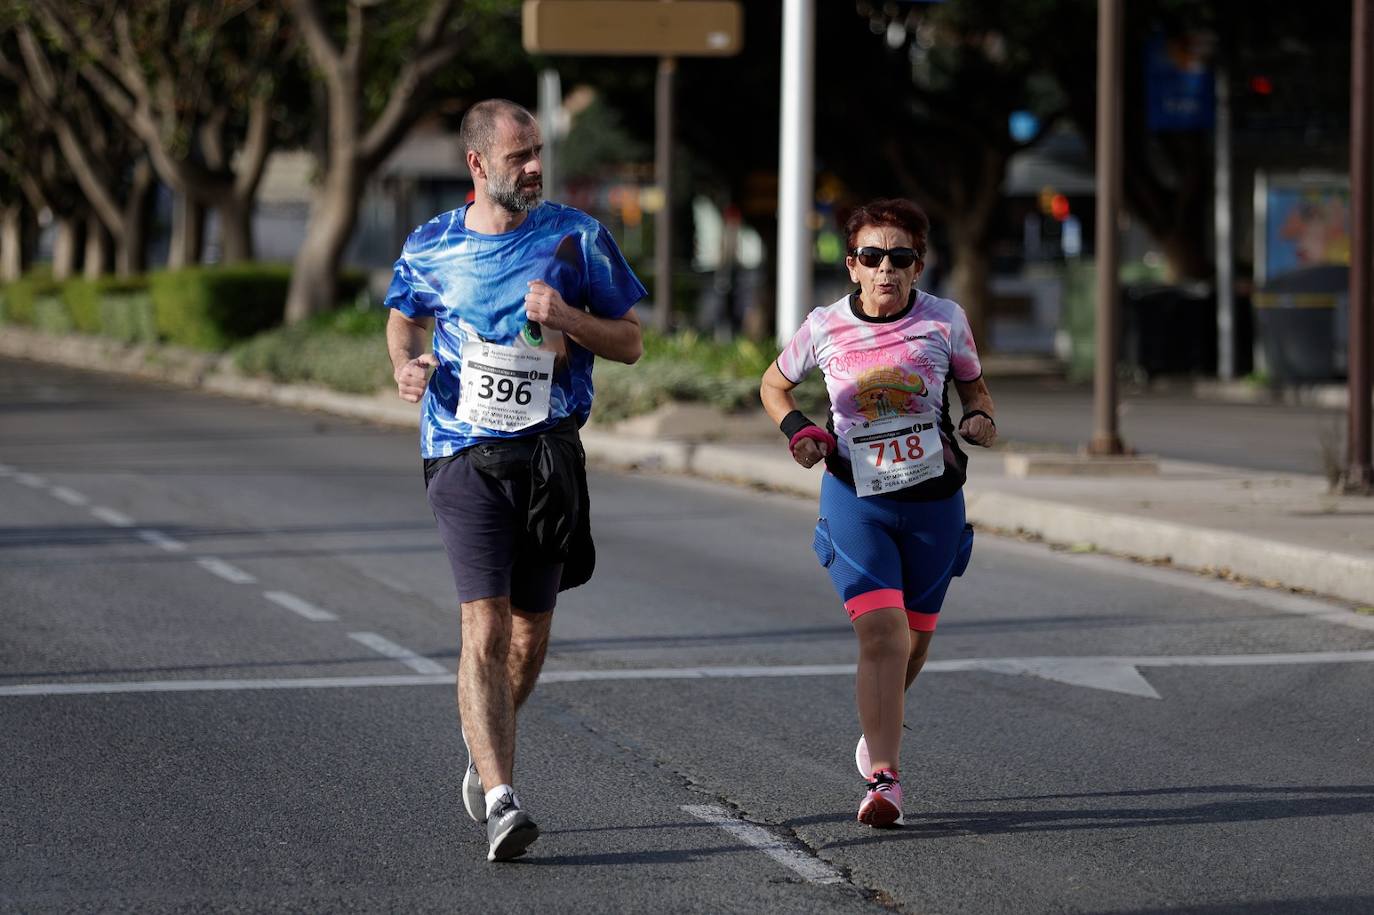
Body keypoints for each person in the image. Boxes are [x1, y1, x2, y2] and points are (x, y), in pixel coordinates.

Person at [385, 99, 645, 861]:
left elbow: (630, 341)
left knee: (529, 637)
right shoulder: (431, 245)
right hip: (462, 450)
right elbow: (403, 315)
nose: (534, 167)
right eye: (518, 156)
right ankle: (503, 797)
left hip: (548, 455)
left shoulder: (575, 237)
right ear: (476, 165)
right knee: (486, 626)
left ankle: (481, 741)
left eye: (537, 153)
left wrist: (570, 315)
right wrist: (405, 363)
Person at [759, 198, 996, 828]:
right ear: (852, 266)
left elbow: (973, 383)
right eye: (872, 257)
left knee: (914, 641)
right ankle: (885, 780)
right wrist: (798, 429)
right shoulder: (824, 326)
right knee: (883, 633)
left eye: (900, 257)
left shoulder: (946, 322)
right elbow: (772, 384)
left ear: (918, 267)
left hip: (933, 502)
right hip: (855, 497)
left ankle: (878, 724)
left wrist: (980, 416)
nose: (885, 269)